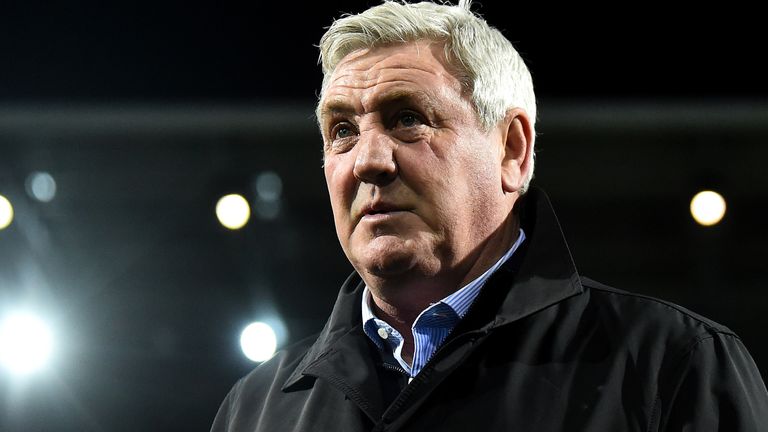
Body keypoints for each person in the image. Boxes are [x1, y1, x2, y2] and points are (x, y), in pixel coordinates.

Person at [211, 1, 768, 430]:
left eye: (407, 118)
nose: (369, 161)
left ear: (512, 150)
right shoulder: (255, 411)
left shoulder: (672, 366)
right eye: (342, 131)